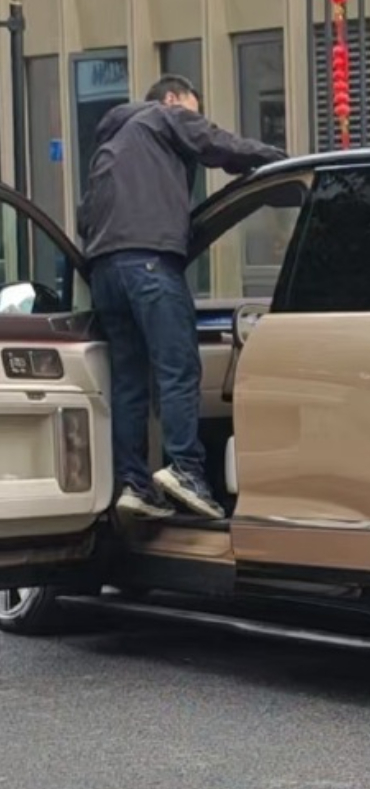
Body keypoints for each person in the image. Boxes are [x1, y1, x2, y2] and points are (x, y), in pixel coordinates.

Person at [77, 75, 286, 521]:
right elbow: (218, 144)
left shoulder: (108, 147)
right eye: (194, 108)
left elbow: (83, 219)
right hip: (151, 264)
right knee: (179, 370)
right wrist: (278, 160)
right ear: (173, 98)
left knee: (130, 383)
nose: (195, 118)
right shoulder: (162, 116)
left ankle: (134, 484)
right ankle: (186, 471)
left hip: (105, 273)